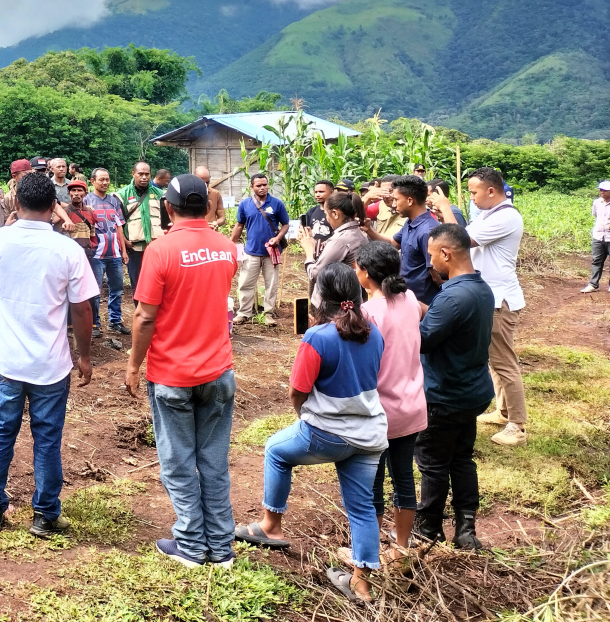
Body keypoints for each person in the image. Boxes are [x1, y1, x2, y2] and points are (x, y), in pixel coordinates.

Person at [234, 263, 387, 602]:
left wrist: (304, 416)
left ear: (321, 297)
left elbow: (297, 391)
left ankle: (271, 526)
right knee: (362, 507)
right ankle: (361, 584)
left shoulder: (317, 337)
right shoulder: (373, 332)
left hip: (328, 433)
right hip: (370, 435)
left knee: (276, 450)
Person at [124, 174, 239, 568]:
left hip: (172, 374)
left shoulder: (160, 251)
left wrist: (133, 365)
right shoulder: (226, 248)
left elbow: (144, 317)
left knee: (177, 463)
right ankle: (220, 548)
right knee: (213, 461)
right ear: (207, 206)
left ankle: (190, 545)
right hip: (218, 372)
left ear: (168, 208)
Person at [0, 172, 98, 537]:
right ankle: (45, 514)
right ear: (54, 206)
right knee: (47, 438)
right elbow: (82, 309)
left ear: (15, 203)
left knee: (0, 432)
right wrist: (84, 356)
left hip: (6, 358)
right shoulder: (68, 250)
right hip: (51, 363)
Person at [429, 168, 528, 447]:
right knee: (493, 359)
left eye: (474, 192)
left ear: (491, 191)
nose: (471, 197)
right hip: (490, 297)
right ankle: (503, 411)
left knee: (504, 362)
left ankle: (518, 425)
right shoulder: (489, 215)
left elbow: (459, 241)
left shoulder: (506, 217)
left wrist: (445, 207)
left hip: (499, 300)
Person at [414, 223, 494, 550]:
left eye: (432, 255)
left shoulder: (452, 297)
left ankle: (427, 530)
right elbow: (449, 321)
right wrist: (421, 307)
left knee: (432, 463)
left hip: (443, 395)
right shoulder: (480, 288)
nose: (431, 262)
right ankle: (466, 530)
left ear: (446, 253)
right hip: (472, 392)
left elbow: (422, 341)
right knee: (462, 459)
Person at [355, 242, 426, 555]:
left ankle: (369, 552)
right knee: (404, 479)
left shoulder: (367, 313)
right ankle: (401, 549)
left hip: (379, 410)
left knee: (372, 482)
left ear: (366, 274)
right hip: (412, 406)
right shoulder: (409, 298)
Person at [364, 175, 440, 305]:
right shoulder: (410, 223)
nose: (393, 204)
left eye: (396, 200)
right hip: (409, 300)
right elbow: (392, 244)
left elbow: (436, 276)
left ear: (410, 200)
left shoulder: (427, 231)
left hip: (424, 303)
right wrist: (369, 230)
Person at [231, 174, 288, 323]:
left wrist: (278, 238)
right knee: (245, 283)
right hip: (251, 252)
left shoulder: (277, 203)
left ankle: (268, 314)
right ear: (252, 187)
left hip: (271, 252)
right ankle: (244, 313)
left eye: (265, 184)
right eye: (258, 185)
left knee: (272, 284)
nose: (262, 188)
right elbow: (239, 225)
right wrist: (230, 243)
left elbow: (285, 224)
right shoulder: (245, 204)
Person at [87, 168, 130, 337]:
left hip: (115, 254)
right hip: (96, 255)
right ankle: (94, 324)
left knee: (117, 289)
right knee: (95, 291)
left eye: (107, 179)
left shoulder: (114, 201)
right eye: (101, 179)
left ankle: (115, 321)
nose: (105, 182)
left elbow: (119, 227)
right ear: (93, 181)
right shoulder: (87, 200)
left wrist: (123, 251)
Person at [306, 191, 367, 309]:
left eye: (326, 214)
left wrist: (309, 252)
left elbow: (315, 274)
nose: (326, 218)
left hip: (332, 303)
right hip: (351, 298)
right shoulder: (360, 234)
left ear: (335, 214)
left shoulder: (340, 240)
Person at [117, 161, 166, 294]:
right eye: (140, 174)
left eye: (147, 174)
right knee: (137, 284)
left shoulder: (160, 194)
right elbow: (117, 223)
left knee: (158, 281)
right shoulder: (122, 195)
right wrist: (124, 242)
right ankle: (139, 307)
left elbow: (167, 219)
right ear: (133, 174)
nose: (144, 177)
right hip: (134, 248)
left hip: (156, 247)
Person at [582, 180, 610, 294]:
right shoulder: (597, 203)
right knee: (596, 260)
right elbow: (596, 216)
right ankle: (593, 284)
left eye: (605, 190)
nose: (602, 192)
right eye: (601, 190)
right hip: (598, 236)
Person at [301, 180, 336, 264]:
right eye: (316, 192)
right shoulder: (311, 212)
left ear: (331, 192)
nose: (317, 195)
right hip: (315, 254)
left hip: (332, 253)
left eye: (321, 192)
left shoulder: (336, 212)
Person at [194, 166, 225, 230]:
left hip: (211, 232)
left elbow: (222, 217)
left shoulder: (215, 194)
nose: (205, 185)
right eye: (202, 182)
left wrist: (217, 222)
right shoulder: (187, 195)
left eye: (207, 182)